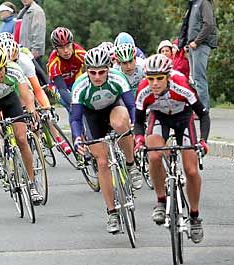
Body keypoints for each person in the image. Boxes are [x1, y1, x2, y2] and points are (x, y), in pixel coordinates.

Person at [134, 54, 210, 244]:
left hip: (184, 119)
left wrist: (203, 141)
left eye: (159, 78)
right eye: (150, 78)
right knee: (154, 155)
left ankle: (194, 216)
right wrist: (139, 139)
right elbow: (138, 119)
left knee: (191, 170)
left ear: (168, 76)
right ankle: (160, 201)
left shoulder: (181, 84)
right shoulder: (143, 90)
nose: (155, 83)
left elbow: (203, 114)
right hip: (160, 118)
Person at [70, 47, 143, 233]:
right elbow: (76, 118)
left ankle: (130, 164)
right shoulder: (80, 86)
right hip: (91, 116)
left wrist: (134, 124)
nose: (97, 77)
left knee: (122, 124)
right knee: (102, 162)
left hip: (114, 108)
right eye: (92, 72)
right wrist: (78, 138)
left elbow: (131, 105)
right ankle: (112, 213)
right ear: (86, 70)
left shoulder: (118, 77)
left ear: (109, 69)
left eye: (102, 72)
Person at [0, 44, 43, 204]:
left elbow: (27, 96)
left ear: (5, 65)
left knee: (21, 139)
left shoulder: (14, 70)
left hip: (10, 99)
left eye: (0, 69)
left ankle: (32, 185)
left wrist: (32, 111)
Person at [0, 38, 71, 154]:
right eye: (8, 62)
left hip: (24, 84)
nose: (12, 65)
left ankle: (51, 138)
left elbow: (37, 89)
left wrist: (46, 107)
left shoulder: (25, 62)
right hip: (7, 89)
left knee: (35, 103)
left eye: (14, 61)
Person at [178, 0, 217, 109]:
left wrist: (196, 41)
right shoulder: (193, 3)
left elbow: (208, 24)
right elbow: (189, 26)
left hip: (201, 45)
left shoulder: (204, 2)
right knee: (195, 78)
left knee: (199, 78)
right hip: (192, 46)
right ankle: (199, 108)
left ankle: (203, 109)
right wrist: (187, 44)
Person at [47, 27, 86, 113]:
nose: (66, 51)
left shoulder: (80, 53)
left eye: (68, 46)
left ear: (72, 44)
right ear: (56, 49)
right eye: (61, 48)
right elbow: (62, 89)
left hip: (74, 80)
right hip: (58, 85)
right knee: (71, 107)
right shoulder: (54, 62)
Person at [18, 0, 46, 71]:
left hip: (32, 56)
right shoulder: (23, 12)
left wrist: (34, 53)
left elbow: (39, 33)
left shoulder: (37, 11)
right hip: (24, 54)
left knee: (39, 79)